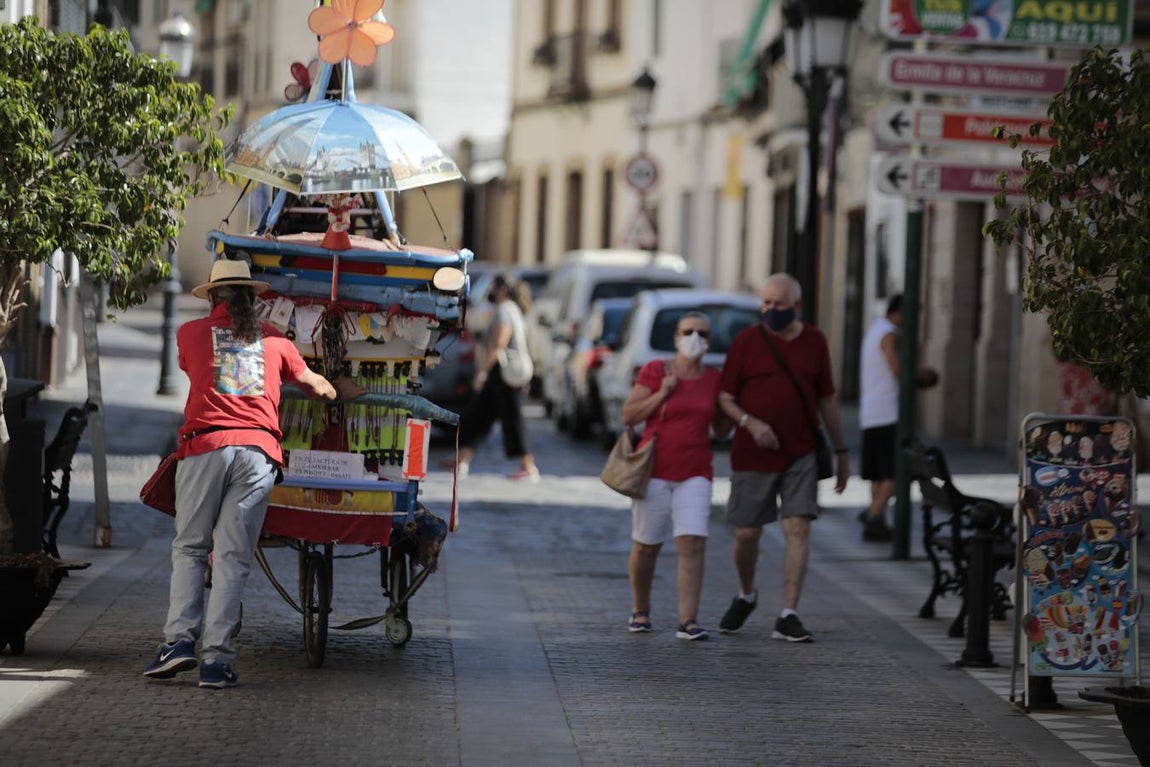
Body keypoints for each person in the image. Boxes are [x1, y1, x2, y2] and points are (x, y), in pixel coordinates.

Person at [143, 259, 364, 688]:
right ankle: (216, 662)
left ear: (213, 298)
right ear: (253, 300)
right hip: (259, 454)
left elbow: (195, 369)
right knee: (232, 557)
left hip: (206, 447)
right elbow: (317, 387)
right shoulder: (277, 340)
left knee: (190, 548)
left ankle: (178, 643)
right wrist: (342, 388)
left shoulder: (189, 334)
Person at [716, 273, 849, 642]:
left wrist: (841, 451)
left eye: (779, 304)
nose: (771, 310)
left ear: (797, 307)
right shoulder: (746, 342)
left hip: (801, 452)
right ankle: (746, 594)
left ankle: (788, 612)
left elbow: (827, 398)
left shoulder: (814, 342)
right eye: (766, 303)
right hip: (751, 453)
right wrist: (751, 423)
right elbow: (726, 396)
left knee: (798, 527)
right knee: (746, 534)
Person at [622, 312, 731, 640]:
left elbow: (721, 430)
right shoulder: (657, 371)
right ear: (676, 338)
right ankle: (641, 610)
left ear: (710, 341)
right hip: (654, 470)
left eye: (703, 333)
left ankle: (689, 620)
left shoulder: (714, 379)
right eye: (689, 331)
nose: (695, 337)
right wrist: (662, 394)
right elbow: (629, 414)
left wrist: (737, 411)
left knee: (693, 541)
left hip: (696, 471)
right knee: (646, 546)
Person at [857, 294, 938, 541]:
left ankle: (877, 517)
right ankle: (873, 515)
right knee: (894, 471)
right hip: (888, 413)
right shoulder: (891, 334)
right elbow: (897, 369)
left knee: (878, 474)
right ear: (901, 312)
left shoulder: (875, 330)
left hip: (871, 412)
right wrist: (921, 376)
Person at [457, 273, 540, 480]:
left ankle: (528, 467)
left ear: (501, 289)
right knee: (481, 415)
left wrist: (482, 372)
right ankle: (462, 459)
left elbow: (498, 344)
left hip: (504, 372)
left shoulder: (505, 310)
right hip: (505, 372)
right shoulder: (514, 310)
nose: (491, 293)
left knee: (511, 419)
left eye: (493, 288)